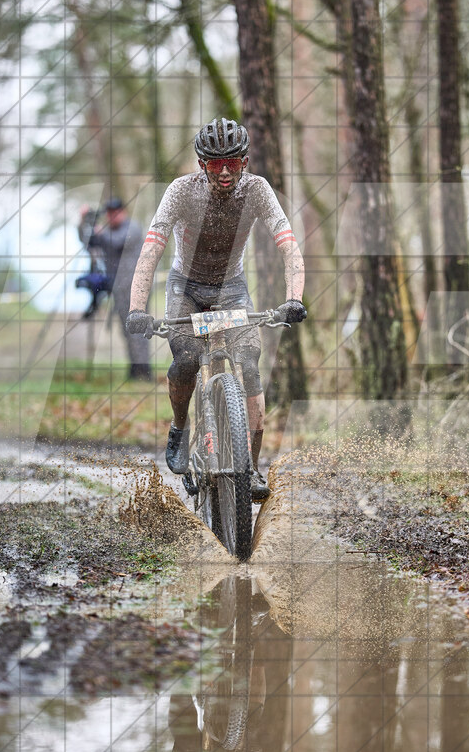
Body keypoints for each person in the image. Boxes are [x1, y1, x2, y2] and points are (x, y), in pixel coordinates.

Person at [125, 117, 306, 499]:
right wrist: (136, 308)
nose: (224, 172)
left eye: (234, 163)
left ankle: (251, 469)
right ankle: (180, 427)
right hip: (185, 287)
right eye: (214, 163)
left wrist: (294, 299)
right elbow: (151, 249)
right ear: (200, 164)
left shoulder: (257, 190)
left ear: (245, 161)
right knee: (188, 358)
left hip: (231, 289)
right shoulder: (181, 191)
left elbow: (288, 245)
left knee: (251, 366)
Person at [80, 198, 152, 381]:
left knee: (138, 329)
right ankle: (135, 369)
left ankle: (143, 370)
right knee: (126, 330)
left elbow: (116, 242)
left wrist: (99, 229)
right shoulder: (107, 232)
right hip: (119, 289)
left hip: (136, 288)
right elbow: (87, 241)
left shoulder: (132, 228)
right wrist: (82, 222)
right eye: (109, 213)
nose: (112, 216)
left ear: (123, 211)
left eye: (115, 212)